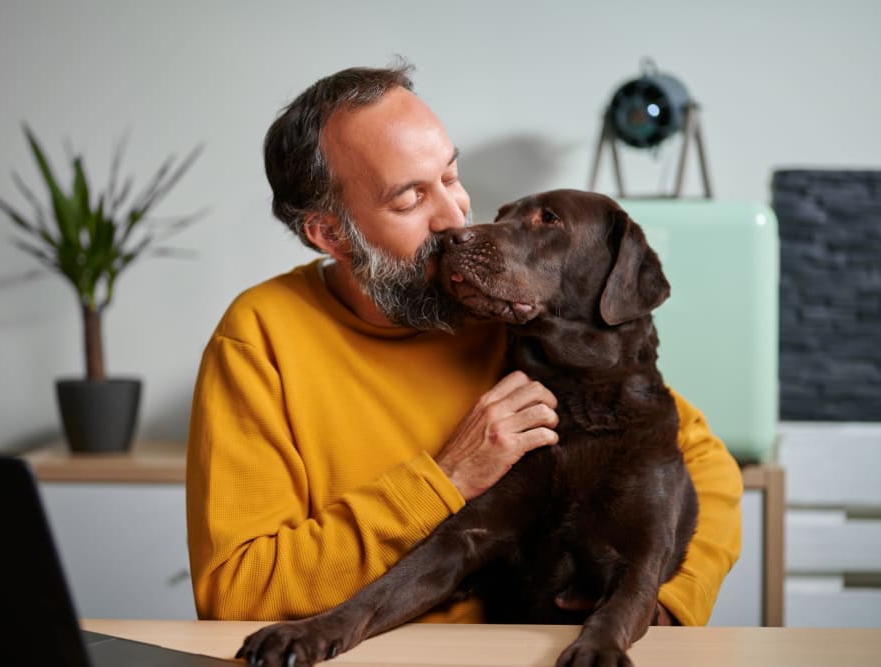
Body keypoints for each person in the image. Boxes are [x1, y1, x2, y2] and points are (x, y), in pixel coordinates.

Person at [185, 61, 742, 627]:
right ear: (330, 233)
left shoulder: (512, 309)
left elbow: (705, 465)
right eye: (409, 200)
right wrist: (443, 482)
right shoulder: (260, 338)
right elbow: (236, 591)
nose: (454, 220)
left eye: (451, 178)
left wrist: (663, 605)